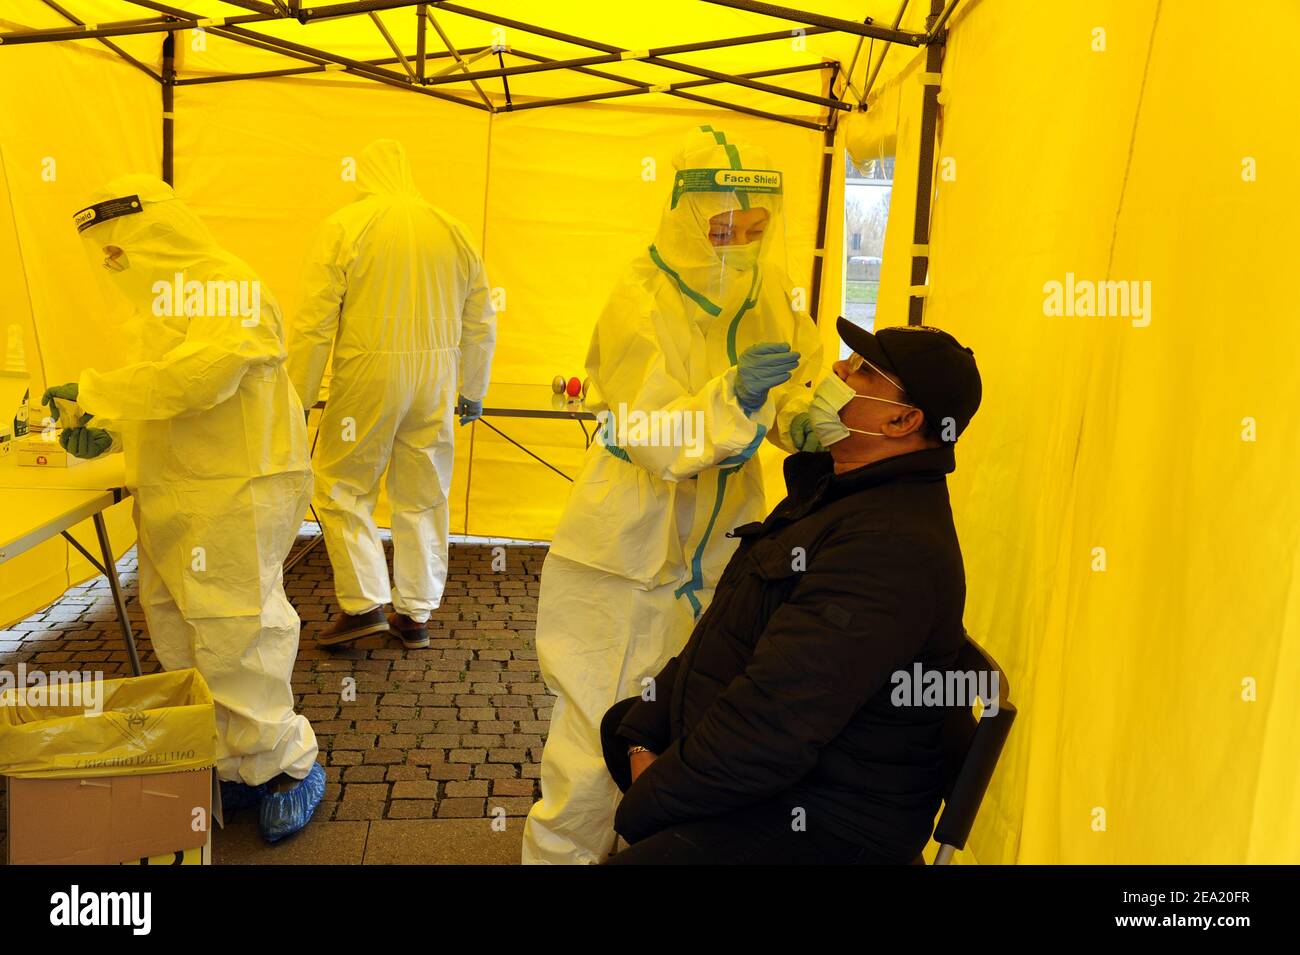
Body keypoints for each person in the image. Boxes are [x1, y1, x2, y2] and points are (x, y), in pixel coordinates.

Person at [521, 126, 824, 864]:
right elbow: (657, 434)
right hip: (628, 553)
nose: (740, 244)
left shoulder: (769, 292)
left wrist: (811, 417)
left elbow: (797, 382)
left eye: (754, 229)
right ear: (685, 218)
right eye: (724, 229)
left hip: (723, 554)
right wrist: (735, 395)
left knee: (697, 724)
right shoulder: (640, 295)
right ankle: (559, 855)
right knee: (598, 732)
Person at [598, 318, 983, 864]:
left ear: (902, 419)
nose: (837, 370)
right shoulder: (837, 491)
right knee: (625, 722)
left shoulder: (888, 547)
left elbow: (773, 728)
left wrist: (648, 802)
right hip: (786, 777)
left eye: (862, 371)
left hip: (829, 817)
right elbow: (722, 631)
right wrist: (643, 736)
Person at [48, 176, 324, 843]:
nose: (114, 266)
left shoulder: (228, 285)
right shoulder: (152, 310)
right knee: (180, 635)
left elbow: (201, 377)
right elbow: (158, 400)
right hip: (173, 498)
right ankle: (227, 758)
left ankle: (288, 763)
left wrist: (99, 392)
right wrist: (106, 425)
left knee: (237, 630)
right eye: (104, 255)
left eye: (121, 250)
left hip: (235, 491)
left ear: (160, 233)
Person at [287, 139, 496, 650]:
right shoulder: (452, 229)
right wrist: (473, 388)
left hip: (368, 374)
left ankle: (362, 605)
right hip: (435, 379)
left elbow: (314, 321)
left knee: (342, 486)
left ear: (365, 176)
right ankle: (415, 614)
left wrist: (298, 394)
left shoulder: (346, 226)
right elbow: (481, 318)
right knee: (423, 493)